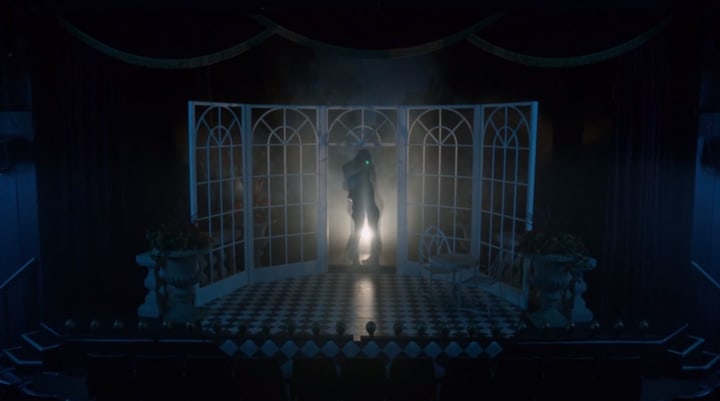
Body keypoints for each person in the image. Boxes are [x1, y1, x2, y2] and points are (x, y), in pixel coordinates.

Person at [343, 149, 381, 266]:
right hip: (360, 204)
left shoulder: (368, 169)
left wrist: (368, 170)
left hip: (369, 204)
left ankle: (373, 258)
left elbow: (374, 185)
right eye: (364, 159)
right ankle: (354, 256)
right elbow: (346, 185)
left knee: (371, 231)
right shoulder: (350, 168)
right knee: (358, 231)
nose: (366, 162)